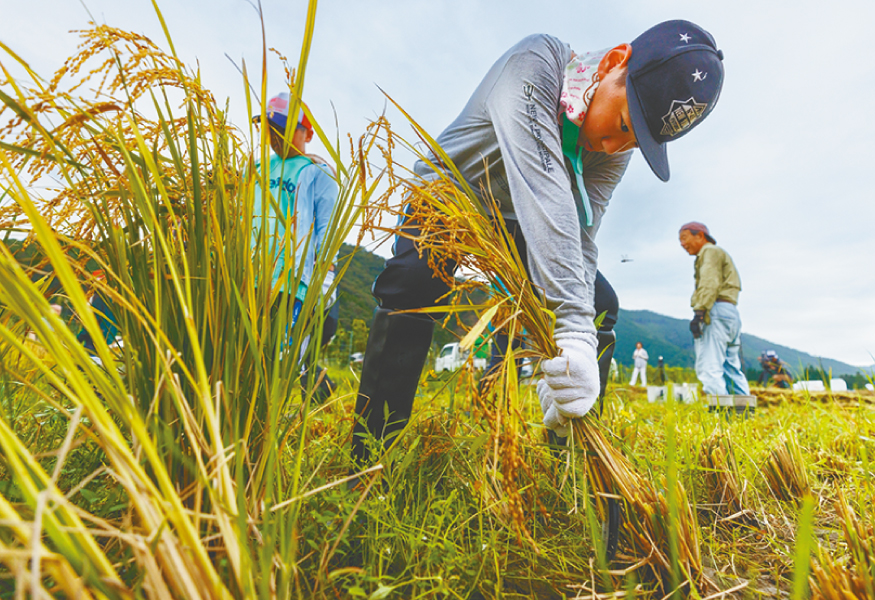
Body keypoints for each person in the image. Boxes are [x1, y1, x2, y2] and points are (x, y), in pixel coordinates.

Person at [351, 21, 726, 467]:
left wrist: (577, 345)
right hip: (450, 195)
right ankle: (371, 457)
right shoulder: (535, 65)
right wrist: (569, 323)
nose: (613, 145)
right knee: (412, 284)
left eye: (634, 140)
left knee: (600, 303)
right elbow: (545, 191)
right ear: (612, 64)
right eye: (623, 123)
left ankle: (570, 454)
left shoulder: (613, 151)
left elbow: (582, 237)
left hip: (519, 223)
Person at [252, 92, 339, 396]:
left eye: (284, 130)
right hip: (254, 275)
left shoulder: (319, 174)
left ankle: (277, 421)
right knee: (249, 354)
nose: (276, 137)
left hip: (293, 282)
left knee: (281, 362)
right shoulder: (259, 168)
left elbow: (328, 230)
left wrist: (325, 280)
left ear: (307, 132)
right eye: (270, 129)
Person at [678, 222, 750, 398]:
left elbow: (709, 281)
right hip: (730, 311)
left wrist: (699, 312)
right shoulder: (718, 253)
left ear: (700, 236)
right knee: (730, 366)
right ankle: (744, 414)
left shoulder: (709, 252)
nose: (682, 244)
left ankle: (722, 416)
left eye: (684, 238)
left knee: (709, 366)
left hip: (715, 310)